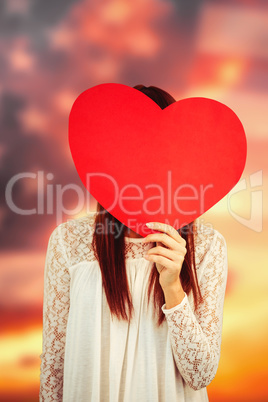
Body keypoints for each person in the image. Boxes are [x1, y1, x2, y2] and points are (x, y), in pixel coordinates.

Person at [39, 85, 228, 402]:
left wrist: (173, 288)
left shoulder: (208, 246)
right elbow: (53, 368)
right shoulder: (68, 242)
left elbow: (201, 374)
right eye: (131, 153)